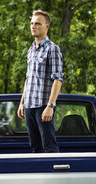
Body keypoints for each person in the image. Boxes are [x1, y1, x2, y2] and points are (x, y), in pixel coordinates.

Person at [17, 10, 63, 153]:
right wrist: (22, 102)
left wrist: (50, 105)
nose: (33, 26)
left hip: (43, 106)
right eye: (32, 23)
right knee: (35, 148)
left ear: (46, 27)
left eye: (37, 23)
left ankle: (55, 174)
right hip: (29, 106)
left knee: (49, 148)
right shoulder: (31, 50)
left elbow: (58, 79)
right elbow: (28, 78)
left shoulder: (52, 49)